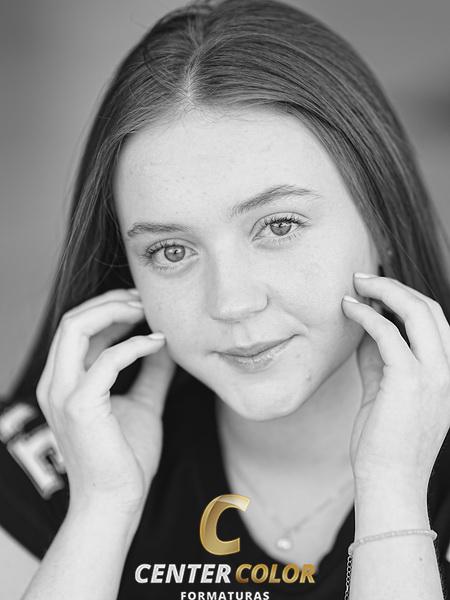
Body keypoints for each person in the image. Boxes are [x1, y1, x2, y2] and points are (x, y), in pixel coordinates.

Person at [1, 0, 450, 598]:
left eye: (279, 226)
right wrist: (100, 510)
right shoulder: (47, 459)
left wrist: (393, 489)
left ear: (383, 219)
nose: (232, 302)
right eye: (171, 251)